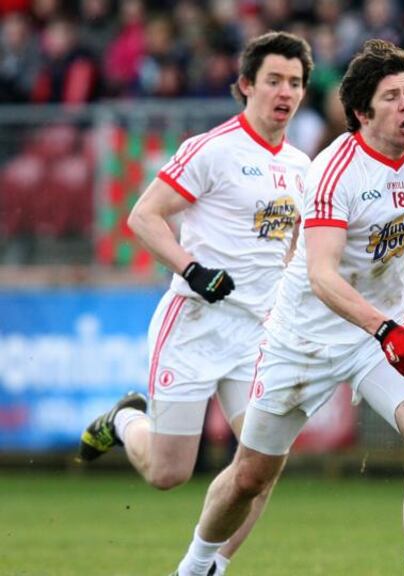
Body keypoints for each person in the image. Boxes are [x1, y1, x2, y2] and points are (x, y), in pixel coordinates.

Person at [169, 39, 404, 576]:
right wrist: (385, 328)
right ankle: (196, 566)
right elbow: (322, 274)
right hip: (303, 338)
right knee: (250, 477)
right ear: (362, 112)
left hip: (374, 338)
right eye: (393, 97)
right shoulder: (334, 172)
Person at [77, 31, 313, 576]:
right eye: (274, 80)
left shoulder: (303, 166)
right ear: (246, 85)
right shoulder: (213, 149)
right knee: (167, 473)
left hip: (257, 334)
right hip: (196, 323)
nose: (285, 92)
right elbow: (143, 215)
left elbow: (295, 247)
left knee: (263, 463)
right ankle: (127, 419)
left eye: (295, 83)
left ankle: (210, 566)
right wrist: (191, 268)